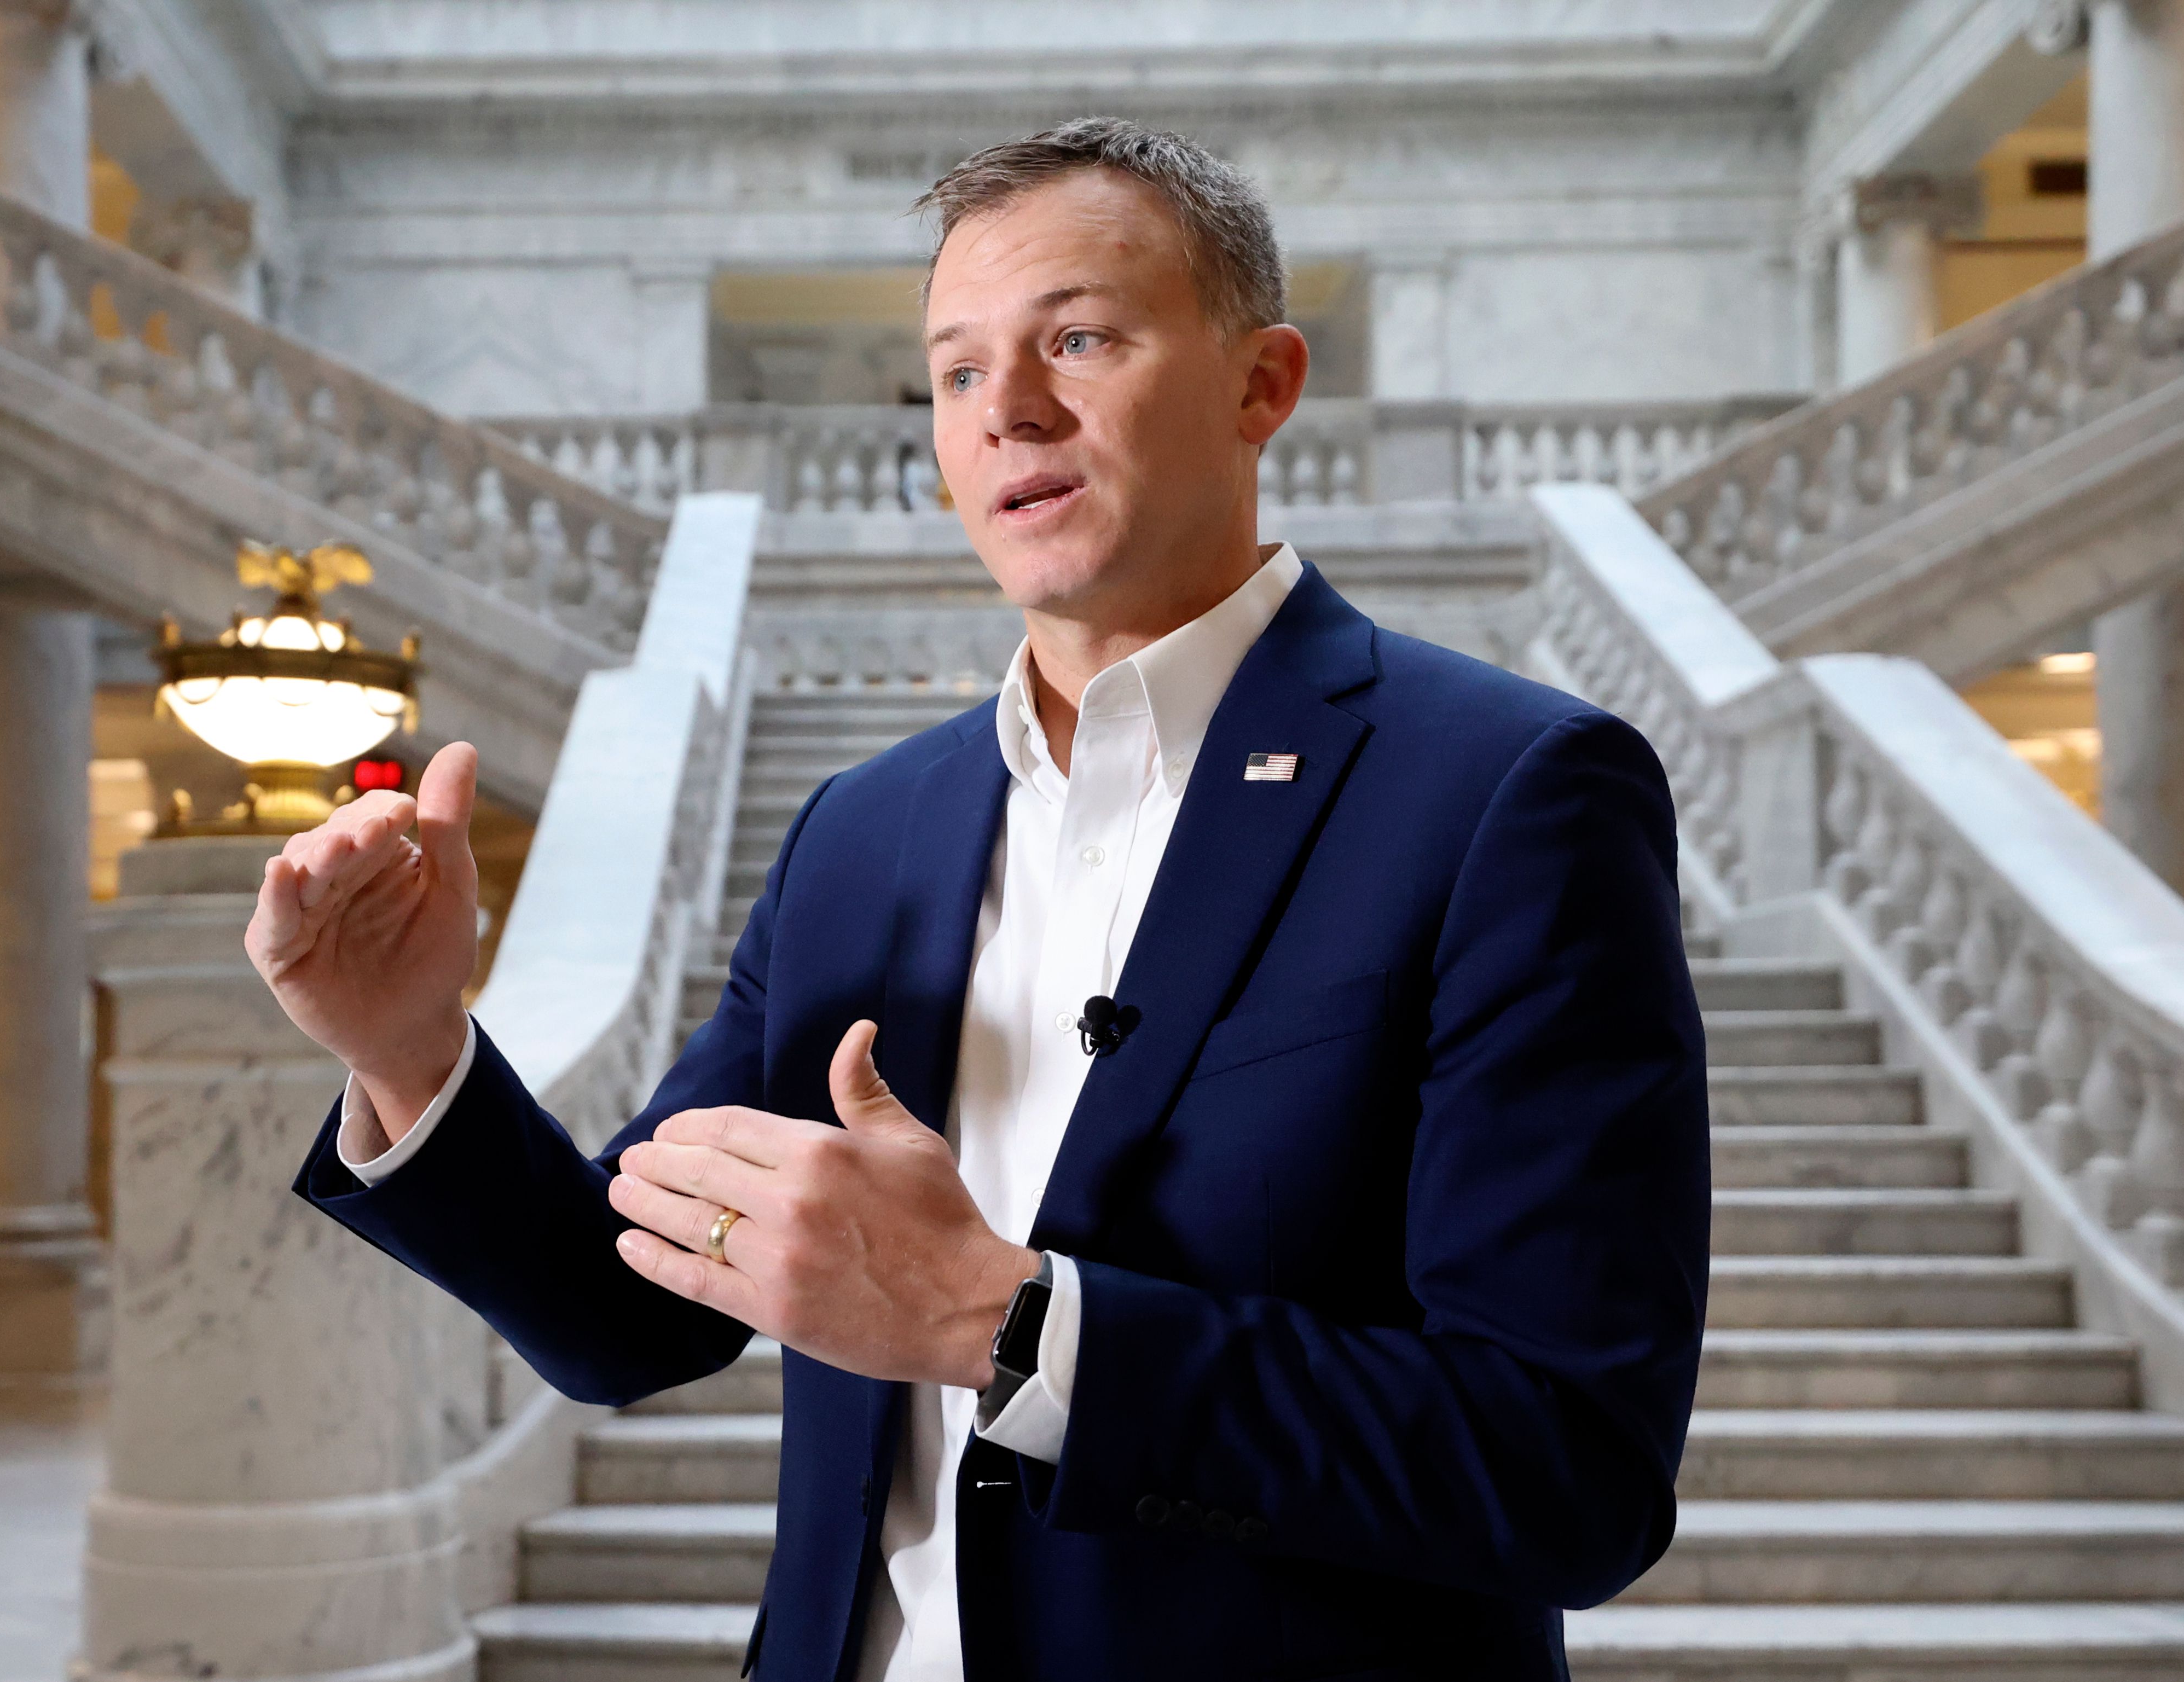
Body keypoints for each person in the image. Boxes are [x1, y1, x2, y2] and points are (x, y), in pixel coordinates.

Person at [256, 117, 1710, 1682]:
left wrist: (1006, 1325)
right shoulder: (866, 830)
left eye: (1078, 338)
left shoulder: (1507, 790)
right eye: (955, 371)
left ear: (1260, 384)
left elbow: (1562, 1466)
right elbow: (632, 1309)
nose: (1007, 410)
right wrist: (412, 1054)